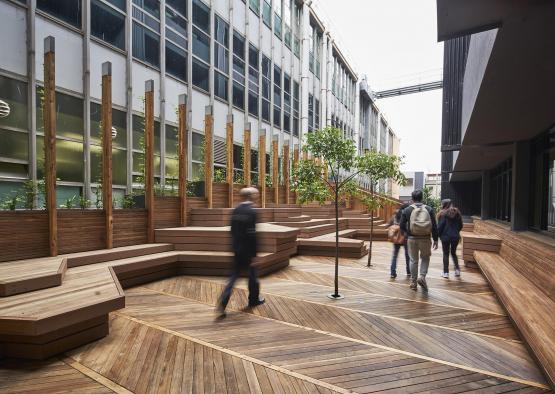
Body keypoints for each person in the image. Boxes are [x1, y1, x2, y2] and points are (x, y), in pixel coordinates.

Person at [216, 187, 265, 318]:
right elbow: (252, 235)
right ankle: (254, 300)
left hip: (237, 249)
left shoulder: (236, 210)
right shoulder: (252, 212)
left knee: (233, 277)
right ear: (251, 196)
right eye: (256, 194)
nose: (257, 196)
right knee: (253, 277)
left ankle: (223, 301)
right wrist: (255, 255)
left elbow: (232, 231)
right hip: (249, 251)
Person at [400, 189, 439, 291]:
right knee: (425, 258)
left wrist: (406, 233)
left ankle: (413, 283)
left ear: (412, 198)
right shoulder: (429, 209)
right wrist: (435, 239)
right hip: (426, 238)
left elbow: (401, 225)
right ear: (422, 198)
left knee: (413, 260)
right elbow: (434, 226)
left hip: (412, 238)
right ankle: (422, 277)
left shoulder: (407, 210)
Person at [437, 199, 463, 278]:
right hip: (455, 237)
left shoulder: (442, 214)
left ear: (444, 205)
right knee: (453, 253)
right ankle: (457, 270)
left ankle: (446, 273)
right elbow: (461, 225)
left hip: (445, 237)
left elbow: (440, 227)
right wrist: (456, 232)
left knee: (446, 253)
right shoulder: (457, 213)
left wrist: (438, 236)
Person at [388, 203, 411, 279]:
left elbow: (389, 224)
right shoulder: (407, 215)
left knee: (395, 255)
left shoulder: (395, 215)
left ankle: (392, 272)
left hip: (396, 238)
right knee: (407, 255)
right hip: (405, 237)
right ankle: (408, 271)